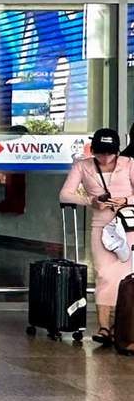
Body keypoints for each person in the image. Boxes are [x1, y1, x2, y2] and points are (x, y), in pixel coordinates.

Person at [60, 127, 134, 346]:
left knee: (127, 276)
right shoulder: (83, 166)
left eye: (110, 153)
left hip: (128, 225)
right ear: (93, 150)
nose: (105, 158)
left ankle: (122, 326)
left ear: (118, 151)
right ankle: (103, 326)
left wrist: (124, 200)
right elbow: (65, 193)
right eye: (100, 153)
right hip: (101, 227)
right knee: (104, 275)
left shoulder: (129, 164)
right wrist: (91, 201)